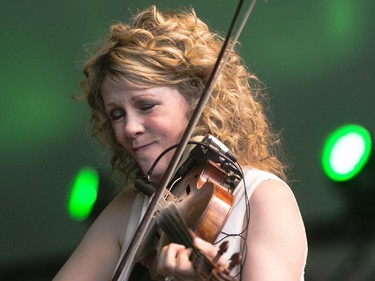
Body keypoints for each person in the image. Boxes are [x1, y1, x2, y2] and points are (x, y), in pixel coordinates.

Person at [54, 5, 307, 281]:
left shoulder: (262, 198)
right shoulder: (131, 208)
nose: (129, 128)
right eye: (117, 114)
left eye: (146, 106)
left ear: (196, 99)